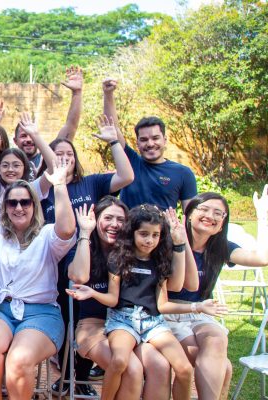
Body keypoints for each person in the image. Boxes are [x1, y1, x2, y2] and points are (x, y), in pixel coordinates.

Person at [67, 205, 218, 400]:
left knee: (183, 369)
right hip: (123, 319)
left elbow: (165, 300)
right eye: (144, 234)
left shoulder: (160, 260)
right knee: (121, 362)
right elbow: (112, 299)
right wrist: (93, 292)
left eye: (155, 235)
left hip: (152, 321)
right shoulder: (119, 258)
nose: (149, 240)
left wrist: (197, 306)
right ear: (133, 233)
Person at [39, 116, 134, 396]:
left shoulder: (91, 184)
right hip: (54, 268)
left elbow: (127, 176)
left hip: (94, 265)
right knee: (68, 323)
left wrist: (115, 141)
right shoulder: (45, 190)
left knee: (88, 317)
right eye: (57, 154)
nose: (64, 158)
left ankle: (79, 377)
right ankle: (66, 377)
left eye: (69, 153)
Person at [0, 152, 76, 400]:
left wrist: (60, 185)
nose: (19, 207)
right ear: (5, 208)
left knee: (19, 359)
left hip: (41, 313)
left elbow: (68, 229)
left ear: (34, 205)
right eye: (12, 203)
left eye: (25, 202)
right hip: (0, 310)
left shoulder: (47, 235)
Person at [164, 188, 268, 400]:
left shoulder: (220, 248)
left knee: (217, 341)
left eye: (218, 213)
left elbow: (262, 258)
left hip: (200, 313)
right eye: (204, 209)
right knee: (225, 367)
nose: (210, 216)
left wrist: (263, 217)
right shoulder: (169, 241)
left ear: (222, 222)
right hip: (168, 311)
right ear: (190, 213)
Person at [65, 197, 172, 399]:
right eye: (108, 218)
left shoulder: (136, 252)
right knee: (131, 370)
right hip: (93, 326)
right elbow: (78, 277)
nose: (114, 224)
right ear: (96, 220)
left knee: (160, 366)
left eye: (120, 219)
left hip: (133, 324)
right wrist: (85, 233)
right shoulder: (83, 248)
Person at [103, 78, 197, 211]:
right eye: (144, 139)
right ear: (137, 143)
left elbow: (190, 215)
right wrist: (108, 94)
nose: (150, 143)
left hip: (163, 232)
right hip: (129, 231)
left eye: (155, 138)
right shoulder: (130, 163)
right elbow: (112, 129)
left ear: (165, 140)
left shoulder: (183, 173)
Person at [10, 66, 84, 180]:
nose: (29, 139)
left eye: (31, 134)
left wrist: (77, 93)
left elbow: (71, 126)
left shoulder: (49, 158)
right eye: (24, 136)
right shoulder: (8, 163)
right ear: (15, 141)